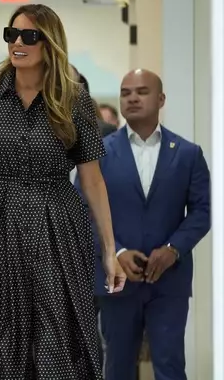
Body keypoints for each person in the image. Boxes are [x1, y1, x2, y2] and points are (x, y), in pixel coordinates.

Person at [0, 4, 126, 380]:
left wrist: (110, 251)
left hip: (59, 225)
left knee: (57, 332)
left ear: (50, 44)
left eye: (29, 36)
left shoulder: (74, 101)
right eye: (12, 35)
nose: (18, 43)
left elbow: (92, 181)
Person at [90, 69, 210, 380]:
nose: (132, 97)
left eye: (141, 91)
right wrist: (116, 252)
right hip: (116, 282)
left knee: (169, 366)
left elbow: (203, 210)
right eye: (125, 92)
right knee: (117, 368)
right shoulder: (99, 154)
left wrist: (174, 249)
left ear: (161, 99)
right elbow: (83, 210)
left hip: (169, 282)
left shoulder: (187, 154)